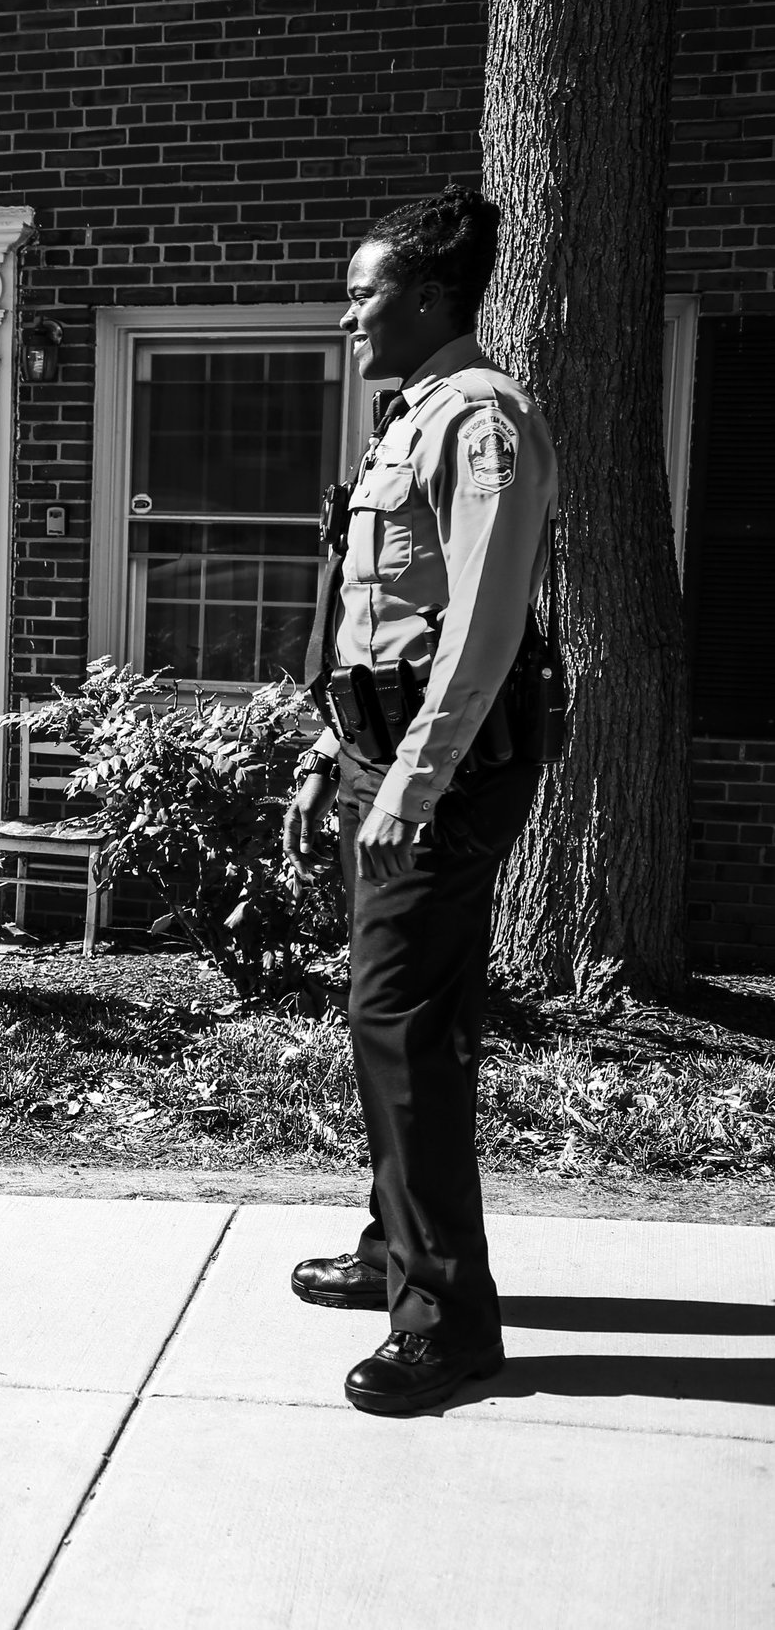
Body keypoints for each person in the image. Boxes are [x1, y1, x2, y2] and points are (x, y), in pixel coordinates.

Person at [283, 183, 559, 1416]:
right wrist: (332, 754)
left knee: (403, 1023)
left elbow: (485, 624)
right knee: (392, 1019)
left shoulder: (480, 419)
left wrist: (411, 777)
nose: (348, 312)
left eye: (366, 291)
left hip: (441, 772)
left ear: (433, 296)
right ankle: (397, 1247)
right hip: (382, 758)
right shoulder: (408, 418)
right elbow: (371, 615)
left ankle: (446, 1321)